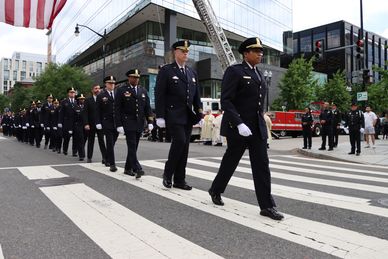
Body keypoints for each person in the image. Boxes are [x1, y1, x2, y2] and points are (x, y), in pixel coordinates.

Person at [208, 37, 283, 220]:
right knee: (230, 161)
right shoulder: (235, 71)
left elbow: (258, 102)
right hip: (238, 127)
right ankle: (216, 189)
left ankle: (267, 206)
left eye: (261, 51)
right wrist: (239, 123)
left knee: (262, 166)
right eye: (256, 51)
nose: (260, 54)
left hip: (256, 128)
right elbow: (226, 100)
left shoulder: (258, 73)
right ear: (246, 53)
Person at [155, 40, 202, 190]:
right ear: (175, 52)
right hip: (173, 114)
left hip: (187, 116)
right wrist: (160, 116)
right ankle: (168, 174)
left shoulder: (191, 72)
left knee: (185, 147)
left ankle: (180, 180)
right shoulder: (167, 70)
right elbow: (159, 94)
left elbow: (196, 96)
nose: (185, 53)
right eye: (183, 51)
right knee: (180, 141)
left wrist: (199, 114)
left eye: (187, 51)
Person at [115, 69, 153, 178]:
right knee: (131, 145)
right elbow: (117, 109)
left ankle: (127, 168)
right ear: (129, 78)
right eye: (134, 77)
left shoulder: (143, 90)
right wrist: (119, 124)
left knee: (134, 146)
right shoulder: (122, 90)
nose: (136, 79)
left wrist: (150, 121)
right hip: (128, 122)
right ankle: (137, 168)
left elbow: (148, 108)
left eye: (137, 77)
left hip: (139, 123)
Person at [96, 76, 119, 172]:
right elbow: (97, 111)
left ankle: (105, 157)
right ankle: (112, 164)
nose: (112, 85)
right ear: (106, 84)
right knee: (109, 142)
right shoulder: (101, 95)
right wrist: (98, 122)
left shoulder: (118, 94)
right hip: (106, 122)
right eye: (110, 83)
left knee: (113, 142)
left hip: (117, 123)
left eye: (113, 83)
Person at [84, 84, 107, 164]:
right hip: (91, 124)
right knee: (91, 141)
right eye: (95, 88)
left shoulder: (103, 99)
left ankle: (105, 157)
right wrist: (86, 124)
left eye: (99, 88)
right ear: (92, 90)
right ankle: (89, 157)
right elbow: (85, 113)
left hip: (100, 124)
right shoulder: (88, 100)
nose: (97, 90)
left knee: (101, 141)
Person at [58, 87, 77, 156]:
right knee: (66, 137)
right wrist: (60, 122)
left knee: (75, 138)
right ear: (68, 93)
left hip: (75, 122)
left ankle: (74, 151)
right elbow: (61, 113)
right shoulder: (64, 102)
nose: (72, 93)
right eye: (71, 92)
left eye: (73, 92)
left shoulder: (76, 101)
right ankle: (65, 149)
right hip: (67, 122)